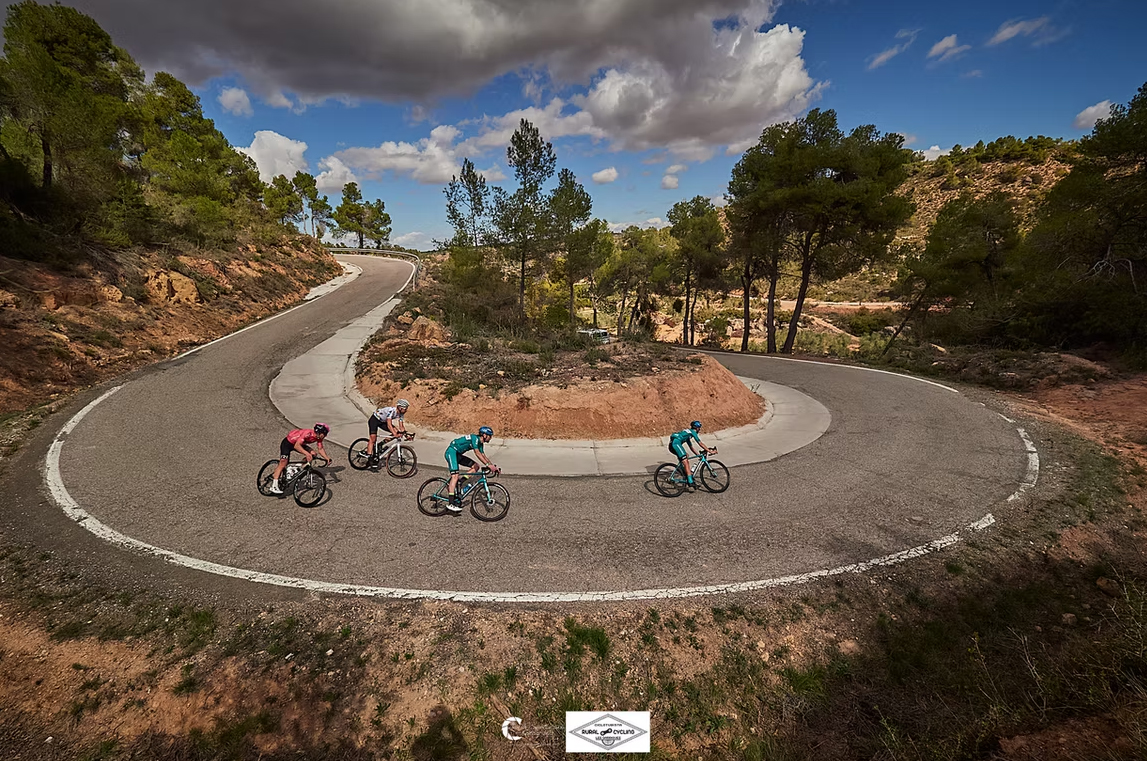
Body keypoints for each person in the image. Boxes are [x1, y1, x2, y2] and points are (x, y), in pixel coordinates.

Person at [443, 425, 499, 512]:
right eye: (490, 436)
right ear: (484, 435)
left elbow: (483, 455)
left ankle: (461, 482)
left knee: (476, 466)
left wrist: (492, 467)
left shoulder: (480, 443)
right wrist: (488, 464)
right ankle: (451, 503)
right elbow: (477, 453)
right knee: (455, 476)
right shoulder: (475, 439)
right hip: (451, 452)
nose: (490, 438)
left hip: (457, 454)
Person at [270, 423, 332, 495]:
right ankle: (274, 486)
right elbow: (297, 446)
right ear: (320, 433)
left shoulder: (319, 438)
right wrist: (306, 453)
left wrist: (327, 458)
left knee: (313, 454)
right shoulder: (308, 433)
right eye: (325, 434)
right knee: (283, 463)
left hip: (299, 444)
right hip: (288, 444)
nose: (325, 436)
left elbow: (320, 448)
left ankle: (296, 467)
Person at [668, 420, 715, 487]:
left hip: (672, 445)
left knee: (685, 456)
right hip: (676, 444)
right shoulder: (693, 432)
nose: (699, 430)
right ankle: (690, 482)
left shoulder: (688, 434)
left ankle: (685, 474)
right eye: (699, 428)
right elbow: (700, 443)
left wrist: (698, 455)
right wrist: (709, 451)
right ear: (697, 428)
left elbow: (691, 448)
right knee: (686, 462)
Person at [367, 399, 410, 466]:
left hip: (382, 422)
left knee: (396, 432)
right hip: (375, 420)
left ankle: (381, 444)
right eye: (405, 409)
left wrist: (406, 435)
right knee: (373, 438)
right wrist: (395, 434)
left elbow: (401, 427)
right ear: (400, 407)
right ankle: (369, 458)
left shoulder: (401, 414)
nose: (406, 410)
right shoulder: (391, 411)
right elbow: (389, 425)